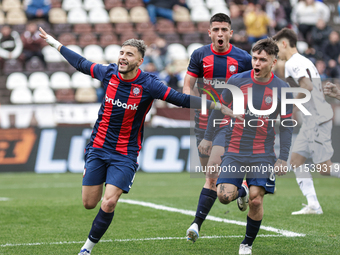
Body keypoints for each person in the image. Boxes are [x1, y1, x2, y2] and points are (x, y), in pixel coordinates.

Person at [38, 27, 239, 255]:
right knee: (89, 203)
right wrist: (54, 42)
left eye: (129, 54)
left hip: (125, 154)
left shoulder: (149, 84)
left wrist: (215, 105)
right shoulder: (108, 73)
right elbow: (81, 63)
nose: (123, 57)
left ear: (140, 61)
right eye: (121, 53)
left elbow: (180, 99)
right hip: (97, 148)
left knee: (109, 203)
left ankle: (86, 249)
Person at [199, 37, 293, 255]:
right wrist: (208, 137)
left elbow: (286, 126)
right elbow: (219, 108)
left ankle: (246, 244)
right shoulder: (238, 81)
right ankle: (240, 189)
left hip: (263, 153)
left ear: (274, 62)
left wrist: (283, 157)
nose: (257, 63)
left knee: (256, 199)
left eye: (262, 59)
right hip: (235, 150)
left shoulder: (282, 88)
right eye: (254, 58)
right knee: (223, 196)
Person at [183, 13, 252, 243]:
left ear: (230, 33)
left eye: (224, 29)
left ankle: (195, 225)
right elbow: (188, 84)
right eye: (216, 30)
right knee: (213, 183)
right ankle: (242, 189)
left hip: (228, 123)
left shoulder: (242, 58)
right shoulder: (199, 55)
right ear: (210, 32)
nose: (220, 34)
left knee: (213, 172)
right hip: (203, 120)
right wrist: (191, 102)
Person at [273, 28, 340, 215]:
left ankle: (314, 205)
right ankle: (313, 205)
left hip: (317, 119)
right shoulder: (304, 61)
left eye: (277, 46)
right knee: (295, 161)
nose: (277, 51)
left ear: (285, 43)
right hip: (313, 118)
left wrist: (288, 105)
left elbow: (307, 86)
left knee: (324, 168)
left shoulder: (293, 63)